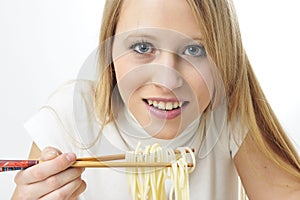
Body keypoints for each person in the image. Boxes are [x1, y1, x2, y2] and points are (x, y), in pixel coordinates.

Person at [12, 0, 300, 199]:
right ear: (109, 47)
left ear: (222, 57)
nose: (167, 80)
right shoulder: (69, 117)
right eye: (142, 47)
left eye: (194, 50)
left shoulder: (225, 109)